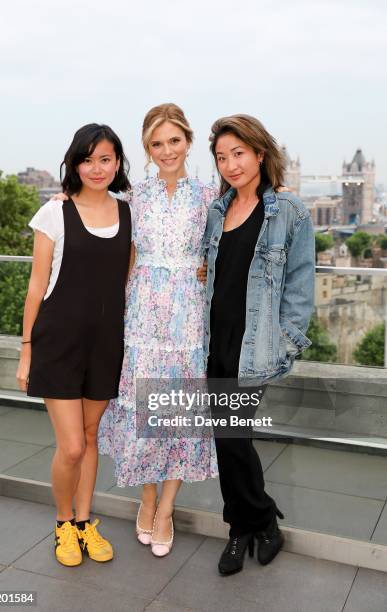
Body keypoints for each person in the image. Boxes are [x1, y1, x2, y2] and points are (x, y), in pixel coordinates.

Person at [98, 103, 218, 557]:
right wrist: (60, 200)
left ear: (188, 141)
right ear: (146, 149)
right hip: (141, 315)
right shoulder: (133, 198)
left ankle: (166, 508)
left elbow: (227, 247)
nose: (167, 150)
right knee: (142, 414)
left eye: (174, 140)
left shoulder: (210, 197)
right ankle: (145, 500)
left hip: (188, 318)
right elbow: (102, 230)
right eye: (156, 143)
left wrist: (207, 268)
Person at [200, 114, 315, 575]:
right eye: (222, 157)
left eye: (239, 153)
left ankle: (247, 525)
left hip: (255, 343)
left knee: (231, 434)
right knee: (228, 436)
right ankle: (257, 523)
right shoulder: (216, 209)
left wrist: (285, 342)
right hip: (214, 339)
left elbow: (301, 285)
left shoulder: (289, 211)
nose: (231, 164)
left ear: (260, 153)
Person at [16, 123, 132, 567]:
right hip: (58, 344)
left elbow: (129, 278)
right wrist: (27, 349)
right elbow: (35, 286)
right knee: (72, 447)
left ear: (117, 162)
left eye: (105, 159)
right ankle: (64, 524)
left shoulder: (129, 214)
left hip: (106, 344)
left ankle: (85, 523)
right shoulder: (53, 213)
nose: (96, 168)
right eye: (87, 159)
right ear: (74, 163)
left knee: (90, 437)